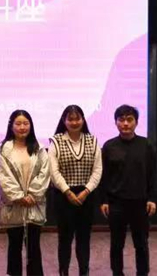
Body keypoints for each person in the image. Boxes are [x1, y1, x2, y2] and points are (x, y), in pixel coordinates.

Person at [99, 105, 157, 276]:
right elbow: (104, 176)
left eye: (129, 119)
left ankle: (142, 273)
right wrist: (104, 200)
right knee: (116, 245)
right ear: (116, 122)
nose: (125, 123)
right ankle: (117, 273)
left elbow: (153, 173)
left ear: (136, 122)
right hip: (116, 203)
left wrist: (152, 198)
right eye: (121, 120)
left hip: (140, 203)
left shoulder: (146, 145)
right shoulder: (109, 146)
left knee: (141, 244)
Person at [0, 109, 50, 276]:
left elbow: (44, 173)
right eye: (18, 123)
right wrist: (19, 197)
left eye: (26, 123)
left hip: (34, 205)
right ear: (11, 126)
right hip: (14, 207)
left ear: (31, 126)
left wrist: (33, 195)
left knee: (34, 247)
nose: (22, 127)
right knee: (14, 247)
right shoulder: (4, 149)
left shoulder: (39, 148)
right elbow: (2, 176)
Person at [49, 105, 102, 276]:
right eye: (70, 119)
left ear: (83, 120)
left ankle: (83, 272)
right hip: (63, 196)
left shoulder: (93, 140)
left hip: (87, 196)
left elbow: (97, 170)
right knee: (64, 239)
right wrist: (68, 192)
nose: (74, 122)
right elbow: (53, 171)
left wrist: (86, 191)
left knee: (84, 239)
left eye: (77, 118)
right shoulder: (56, 141)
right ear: (64, 121)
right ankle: (63, 272)